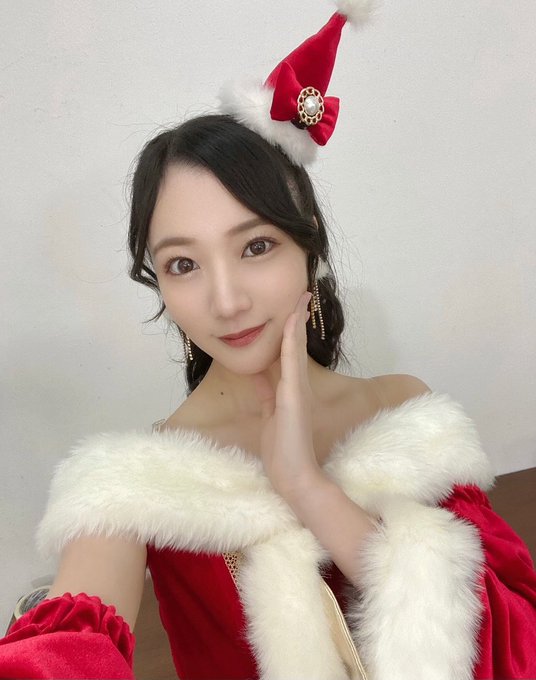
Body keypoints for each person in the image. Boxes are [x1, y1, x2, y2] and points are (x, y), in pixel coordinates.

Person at [1, 2, 535, 679]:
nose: (226, 301)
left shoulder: (405, 413)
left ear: (308, 246)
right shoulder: (135, 483)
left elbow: (512, 634)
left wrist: (308, 489)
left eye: (255, 246)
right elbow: (63, 650)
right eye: (183, 264)